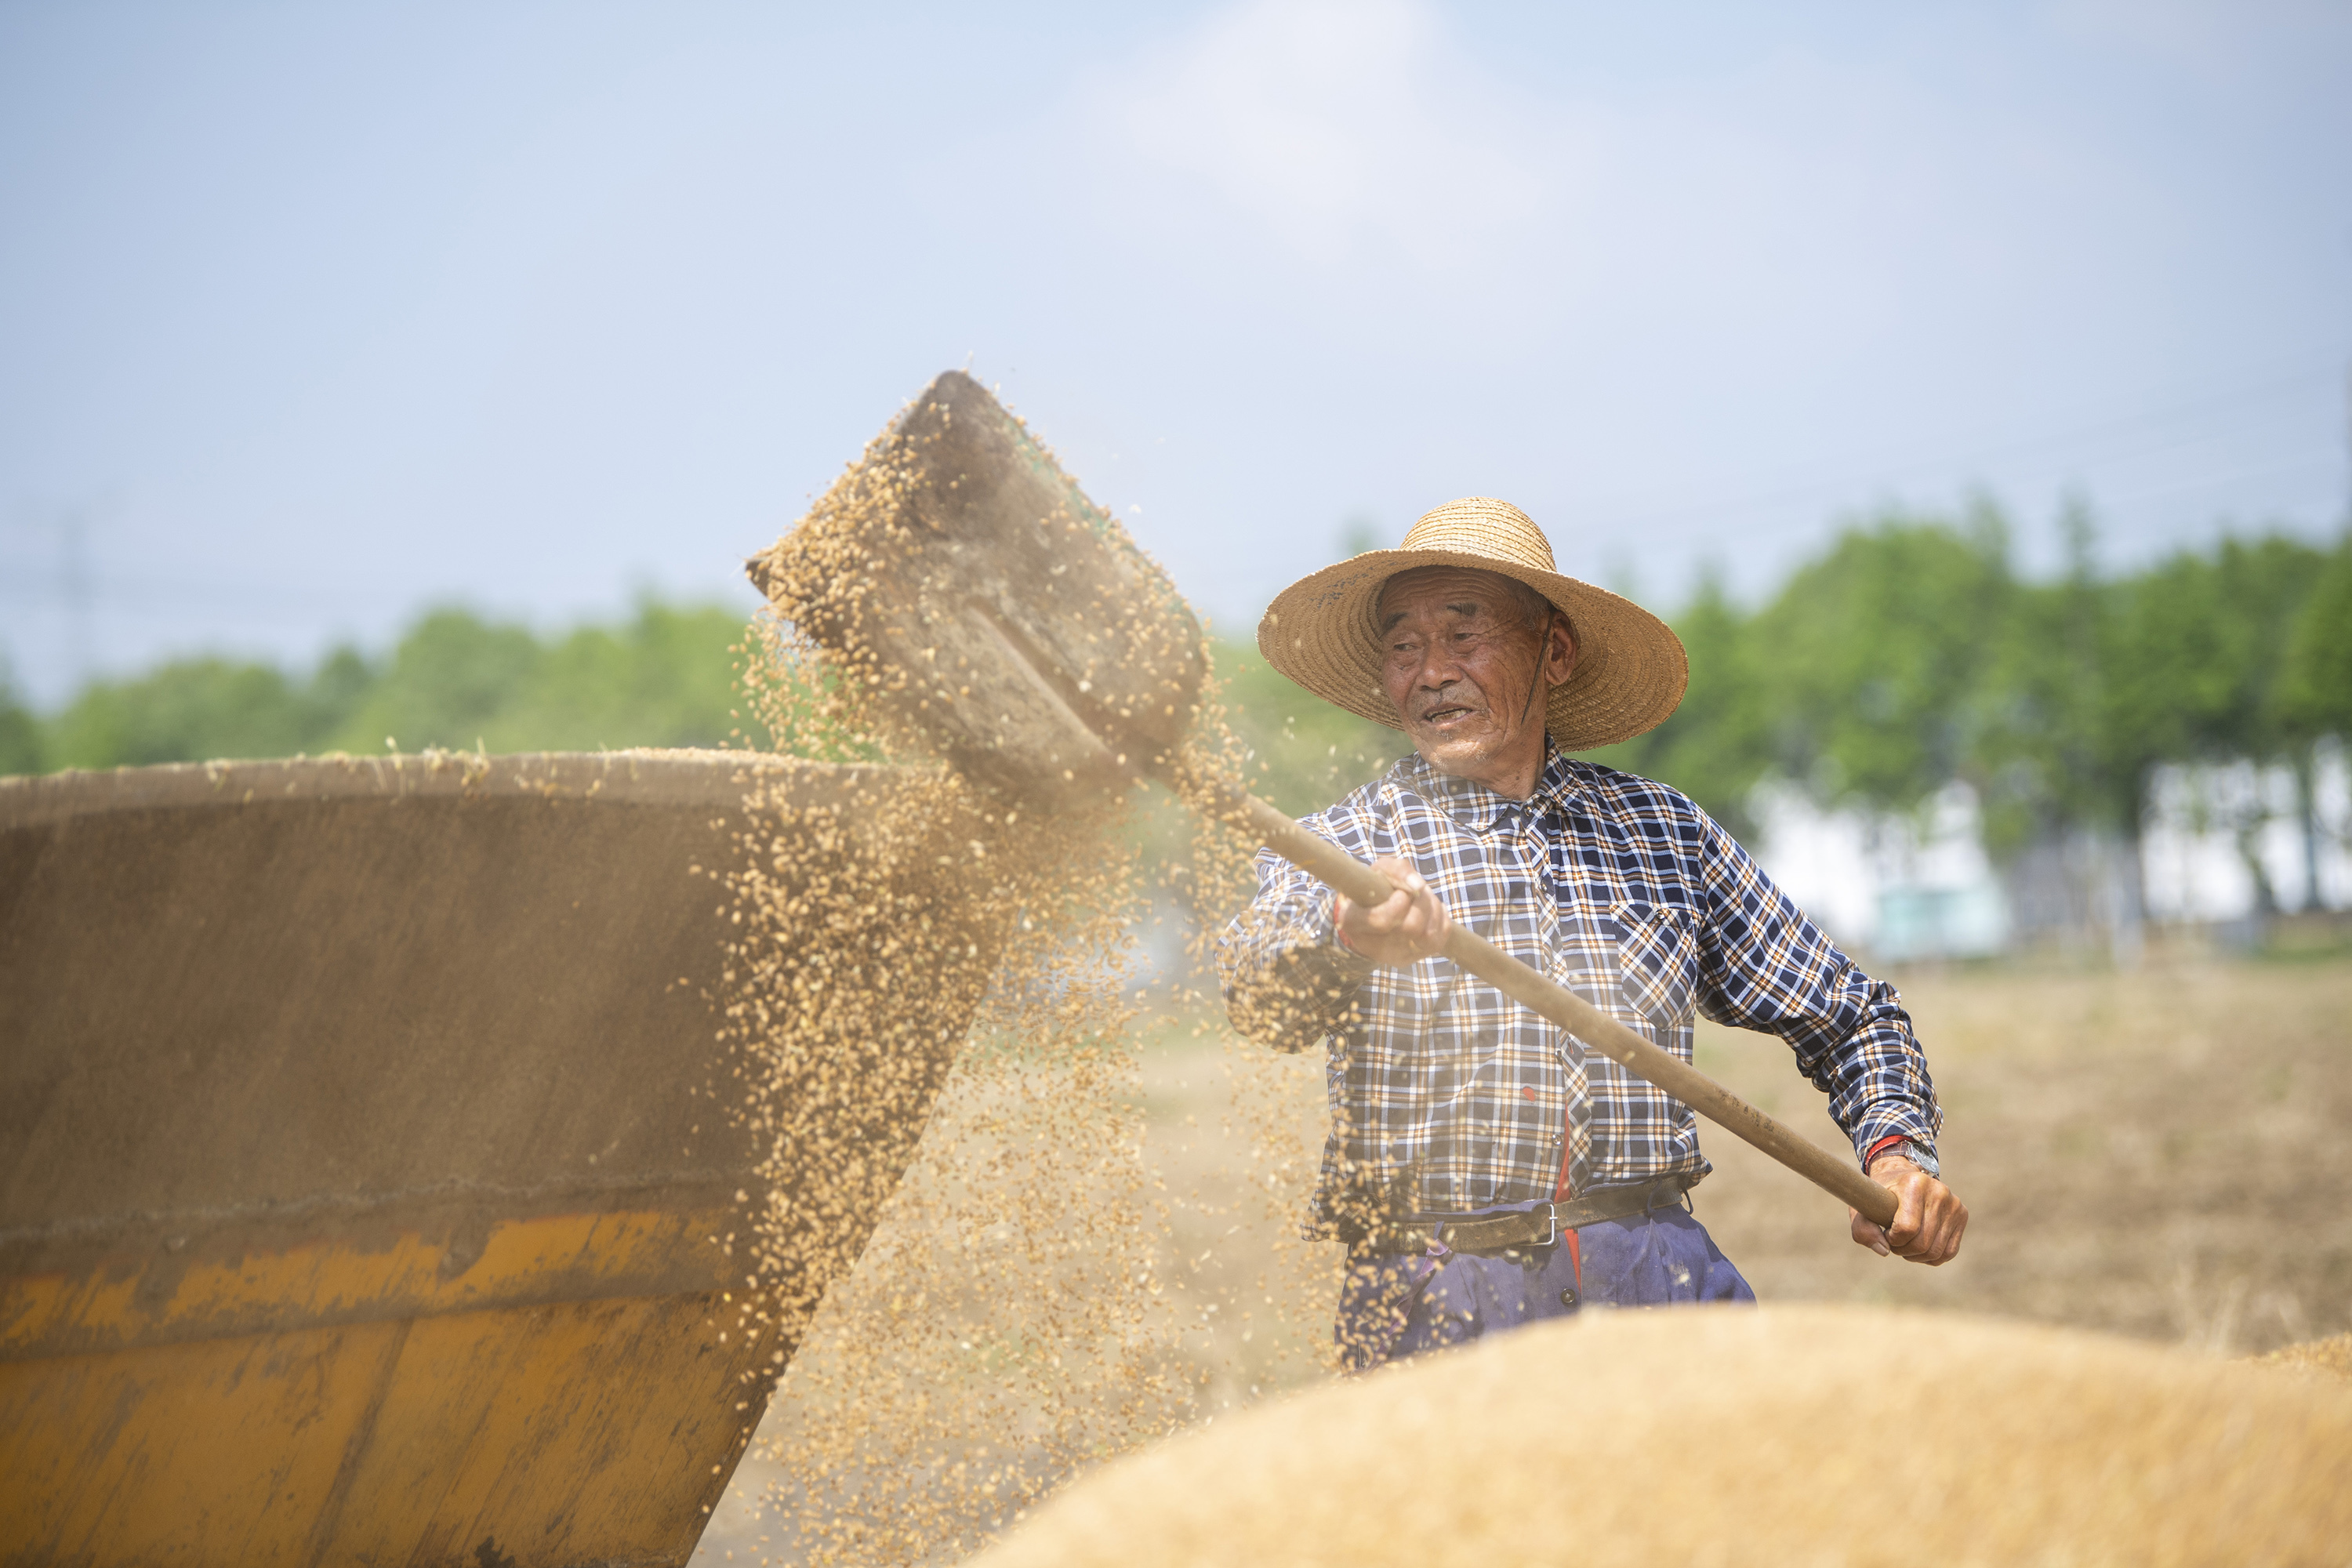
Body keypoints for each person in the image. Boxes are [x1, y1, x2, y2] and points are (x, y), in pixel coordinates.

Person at [1215, 497, 1967, 1370]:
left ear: (1555, 654)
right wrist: (1346, 933)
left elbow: (1850, 1014)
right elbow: (1252, 982)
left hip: (1654, 1280)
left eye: (1465, 637)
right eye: (1403, 646)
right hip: (1438, 1301)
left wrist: (1897, 1154)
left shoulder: (1661, 834)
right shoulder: (1345, 847)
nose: (1430, 672)